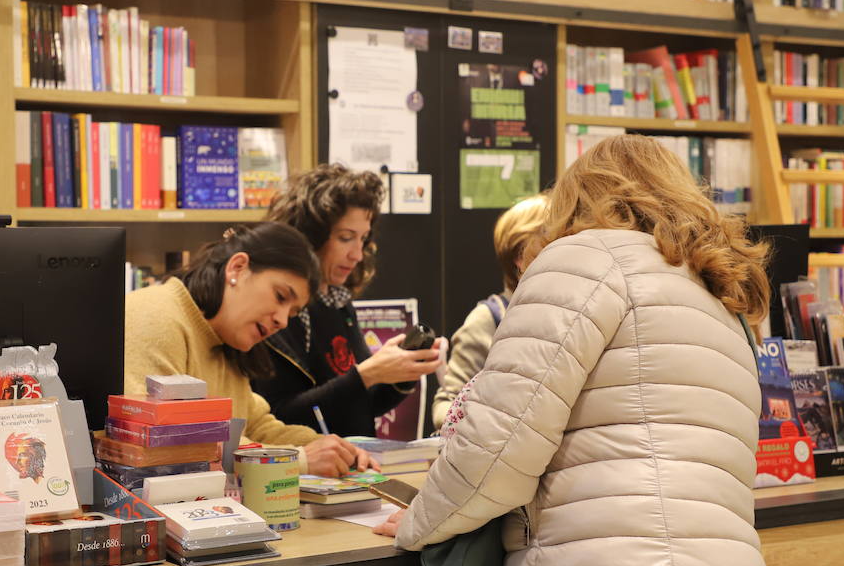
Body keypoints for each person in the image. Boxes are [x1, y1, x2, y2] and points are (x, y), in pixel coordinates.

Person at [376, 135, 780, 566]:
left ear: (574, 198)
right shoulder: (716, 295)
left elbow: (495, 450)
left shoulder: (581, 261)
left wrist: (417, 525)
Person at [124, 221, 376, 478]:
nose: (283, 321)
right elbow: (171, 441)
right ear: (238, 268)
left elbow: (256, 427)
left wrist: (334, 450)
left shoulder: (226, 340)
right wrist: (299, 460)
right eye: (280, 296)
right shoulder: (156, 315)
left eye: (292, 312)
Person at [256, 164, 442, 435]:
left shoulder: (337, 302)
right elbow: (279, 419)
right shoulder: (276, 311)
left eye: (363, 239)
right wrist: (367, 374)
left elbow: (362, 405)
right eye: (346, 238)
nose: (357, 254)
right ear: (309, 235)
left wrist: (399, 374)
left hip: (352, 468)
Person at [431, 192, 550, 429]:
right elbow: (445, 409)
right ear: (521, 255)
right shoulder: (488, 319)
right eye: (552, 242)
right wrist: (490, 425)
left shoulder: (573, 311)